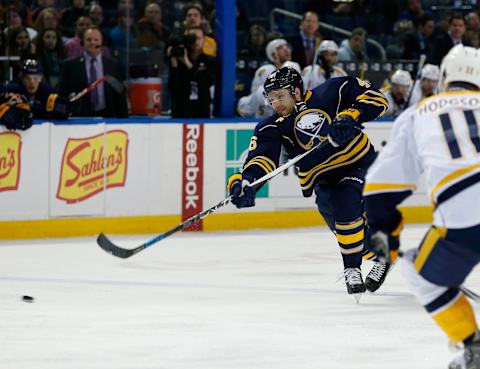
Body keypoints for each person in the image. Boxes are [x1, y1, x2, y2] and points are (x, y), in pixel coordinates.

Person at [363, 44, 480, 369]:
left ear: (444, 77)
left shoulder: (420, 112)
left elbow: (379, 188)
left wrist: (389, 232)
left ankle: (474, 347)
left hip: (465, 214)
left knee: (419, 273)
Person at [228, 66, 390, 297]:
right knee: (349, 233)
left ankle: (351, 269)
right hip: (323, 181)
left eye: (280, 96)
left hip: (359, 164)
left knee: (346, 203)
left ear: (296, 91)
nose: (276, 103)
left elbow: (377, 99)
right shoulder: (271, 127)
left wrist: (349, 117)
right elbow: (262, 159)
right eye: (272, 99)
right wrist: (246, 183)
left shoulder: (332, 90)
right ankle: (383, 255)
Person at [59, 26, 128, 117]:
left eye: (96, 40)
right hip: (79, 118)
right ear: (82, 43)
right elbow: (62, 93)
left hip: (108, 117)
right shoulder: (70, 65)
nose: (92, 42)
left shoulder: (113, 66)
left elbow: (119, 93)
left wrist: (124, 119)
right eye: (89, 39)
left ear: (101, 43)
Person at [167, 25, 215, 118]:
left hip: (201, 109)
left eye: (199, 38)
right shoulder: (178, 57)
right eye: (192, 38)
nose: (195, 41)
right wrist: (174, 62)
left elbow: (205, 83)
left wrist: (187, 63)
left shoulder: (209, 60)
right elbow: (172, 86)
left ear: (204, 39)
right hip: (181, 109)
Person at [3, 59, 70, 119]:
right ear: (21, 78)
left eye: (35, 78)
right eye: (28, 78)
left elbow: (65, 110)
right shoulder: (11, 90)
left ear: (41, 78)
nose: (32, 83)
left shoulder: (47, 91)